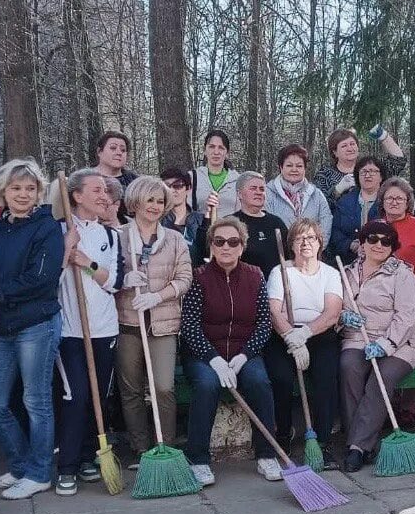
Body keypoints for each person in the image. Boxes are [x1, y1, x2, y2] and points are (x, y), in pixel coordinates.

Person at [0, 158, 65, 500]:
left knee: (35, 400)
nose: (23, 194)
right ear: (2, 192)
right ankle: (21, 466)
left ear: (39, 192)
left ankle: (38, 473)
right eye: (15, 188)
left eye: (30, 188)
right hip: (1, 326)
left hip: (36, 323)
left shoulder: (47, 227)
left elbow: (41, 279)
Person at [179, 216, 280, 485]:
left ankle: (267, 454)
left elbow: (263, 323)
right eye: (219, 241)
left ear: (242, 246)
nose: (226, 247)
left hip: (242, 351)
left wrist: (244, 355)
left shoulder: (255, 275)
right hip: (204, 354)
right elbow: (189, 326)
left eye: (233, 242)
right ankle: (198, 459)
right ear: (211, 245)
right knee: (207, 385)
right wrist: (213, 359)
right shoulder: (199, 277)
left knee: (259, 381)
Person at [52, 168, 121, 496]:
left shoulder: (110, 235)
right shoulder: (57, 230)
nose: (103, 196)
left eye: (105, 191)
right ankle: (65, 465)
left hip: (104, 329)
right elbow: (48, 279)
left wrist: (88, 263)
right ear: (76, 196)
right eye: (96, 190)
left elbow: (115, 281)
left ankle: (85, 458)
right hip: (70, 331)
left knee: (98, 396)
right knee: (75, 394)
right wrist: (66, 251)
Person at [117, 176, 193, 466]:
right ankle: (140, 448)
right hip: (128, 322)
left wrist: (158, 296)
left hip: (162, 323)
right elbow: (101, 276)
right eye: (149, 199)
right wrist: (123, 280)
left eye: (160, 201)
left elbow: (185, 279)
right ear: (136, 201)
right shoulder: (119, 236)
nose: (155, 206)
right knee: (132, 389)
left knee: (163, 387)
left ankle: (166, 446)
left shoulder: (173, 239)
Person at [337, 220, 415, 472]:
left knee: (381, 376)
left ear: (393, 246)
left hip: (400, 342)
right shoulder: (347, 272)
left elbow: (407, 318)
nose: (378, 245)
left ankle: (357, 447)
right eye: (372, 239)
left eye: (386, 241)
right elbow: (335, 306)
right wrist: (343, 318)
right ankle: (363, 442)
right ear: (362, 243)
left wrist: (385, 344)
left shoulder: (402, 274)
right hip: (357, 337)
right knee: (348, 368)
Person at [265, 218, 343, 466]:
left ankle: (323, 442)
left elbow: (332, 313)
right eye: (299, 238)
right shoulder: (280, 271)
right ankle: (284, 433)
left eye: (310, 238)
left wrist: (305, 334)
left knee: (326, 378)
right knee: (281, 377)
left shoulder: (330, 273)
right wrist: (291, 337)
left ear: (320, 243)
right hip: (284, 336)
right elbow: (273, 311)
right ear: (291, 245)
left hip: (320, 335)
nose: (305, 243)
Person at [314, 126, 407, 209]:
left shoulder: (370, 168)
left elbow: (399, 161)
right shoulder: (325, 174)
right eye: (344, 146)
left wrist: (382, 134)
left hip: (374, 223)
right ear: (335, 152)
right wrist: (337, 191)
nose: (350, 148)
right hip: (339, 225)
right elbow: (317, 206)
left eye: (352, 144)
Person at [264, 144, 333, 246]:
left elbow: (326, 222)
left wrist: (316, 248)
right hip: (278, 255)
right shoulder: (268, 193)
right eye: (289, 165)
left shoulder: (316, 194)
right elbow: (266, 225)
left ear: (305, 168)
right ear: (281, 167)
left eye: (299, 166)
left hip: (311, 255)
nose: (294, 169)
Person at [230, 171, 290, 277]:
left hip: (275, 287)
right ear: (239, 194)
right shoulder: (231, 224)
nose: (258, 192)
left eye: (262, 189)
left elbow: (289, 257)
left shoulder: (276, 223)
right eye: (253, 188)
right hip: (243, 286)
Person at [378, 177, 415, 277]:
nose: (394, 202)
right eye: (389, 198)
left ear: (407, 203)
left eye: (399, 199)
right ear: (382, 202)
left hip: (412, 287)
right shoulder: (374, 227)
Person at [330, 155, 384, 265]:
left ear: (381, 176)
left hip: (382, 263)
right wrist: (350, 245)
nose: (367, 175)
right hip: (349, 262)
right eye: (363, 172)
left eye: (373, 171)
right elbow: (334, 231)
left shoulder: (388, 201)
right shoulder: (344, 202)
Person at [161, 167, 212, 264]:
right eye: (167, 186)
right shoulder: (157, 221)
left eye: (177, 186)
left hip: (196, 274)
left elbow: (209, 252)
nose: (172, 190)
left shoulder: (202, 220)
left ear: (188, 189)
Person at [191, 129, 240, 217]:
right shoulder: (193, 177)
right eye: (212, 147)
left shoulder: (237, 180)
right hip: (201, 229)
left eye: (221, 148)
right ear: (205, 150)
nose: (216, 152)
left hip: (230, 229)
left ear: (227, 153)